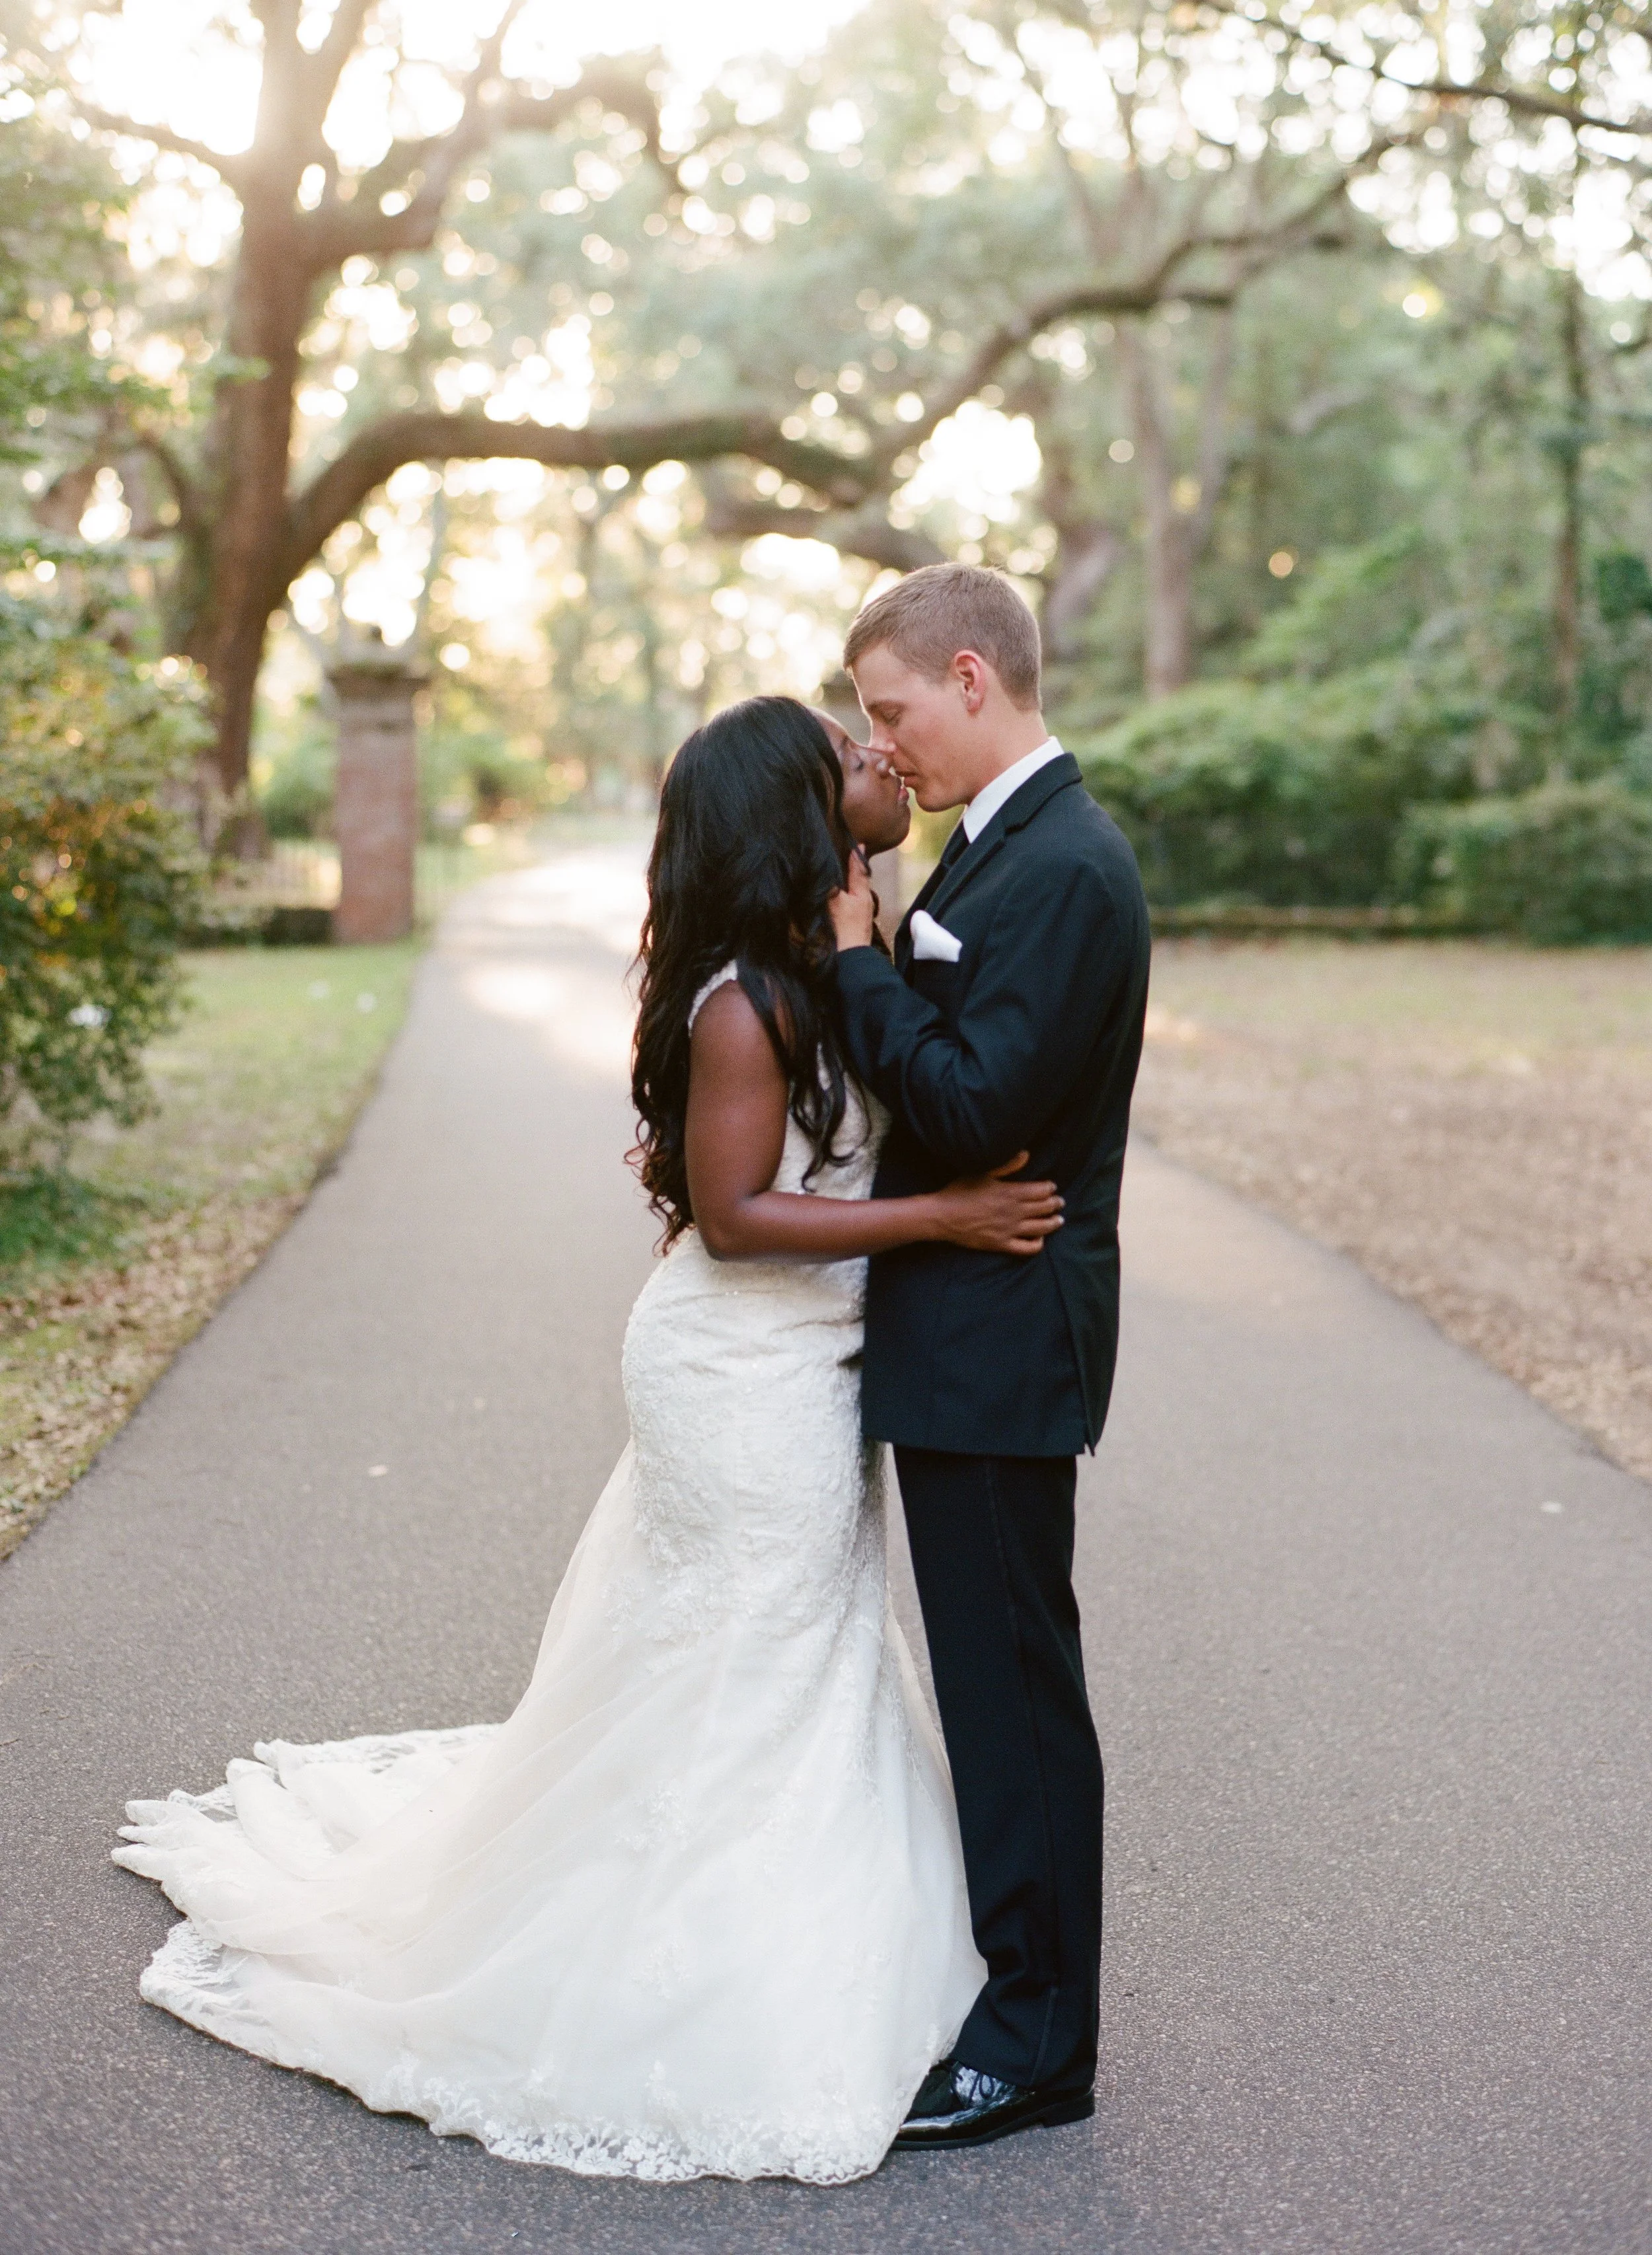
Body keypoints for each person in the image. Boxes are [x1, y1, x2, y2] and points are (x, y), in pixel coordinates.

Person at [113, 695, 1065, 2185]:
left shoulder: (833, 952)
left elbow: (858, 1069)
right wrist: (943, 1215)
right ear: (788, 818)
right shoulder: (746, 1001)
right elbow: (742, 1216)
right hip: (739, 1370)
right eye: (844, 758)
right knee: (754, 1645)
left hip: (806, 1359)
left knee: (795, 1650)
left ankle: (800, 1918)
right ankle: (678, 1960)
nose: (871, 762)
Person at [829, 564, 1151, 2151]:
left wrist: (855, 959)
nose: (880, 752)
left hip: (1001, 1332)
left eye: (891, 715)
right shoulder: (1000, 841)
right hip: (965, 1325)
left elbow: (967, 1107)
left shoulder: (1069, 867)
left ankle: (1035, 2040)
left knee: (1015, 1693)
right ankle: (1022, 2001)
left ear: (971, 674)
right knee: (993, 1678)